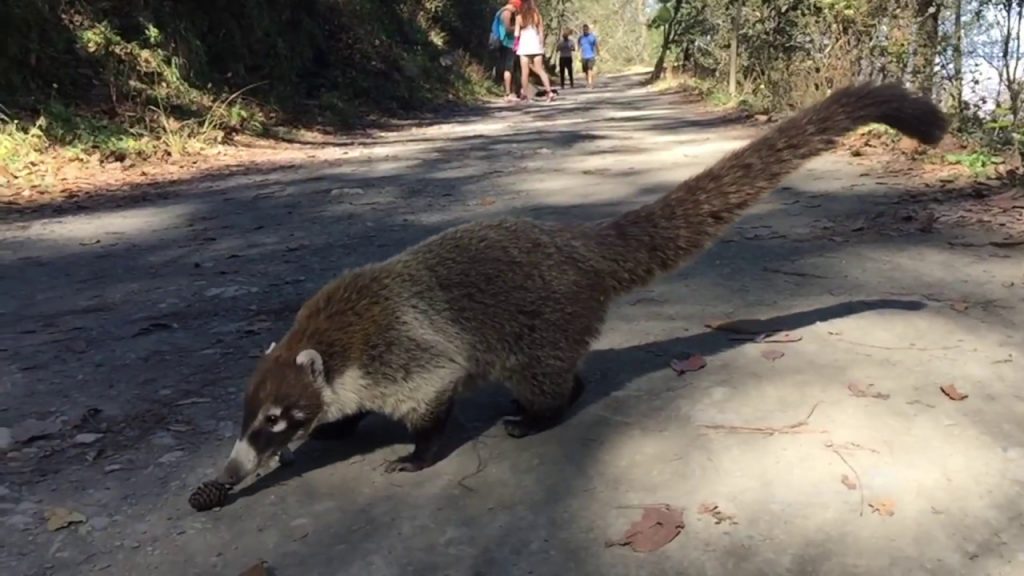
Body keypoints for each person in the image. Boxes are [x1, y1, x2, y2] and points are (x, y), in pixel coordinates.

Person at [514, 0, 556, 103]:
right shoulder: (537, 16)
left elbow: (516, 34)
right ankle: (549, 92)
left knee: (525, 72)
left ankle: (525, 96)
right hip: (536, 45)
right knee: (540, 70)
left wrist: (515, 44)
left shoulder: (519, 18)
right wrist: (541, 45)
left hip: (524, 46)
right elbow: (541, 31)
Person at [491, 0, 521, 102]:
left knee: (506, 67)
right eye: (517, 8)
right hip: (506, 43)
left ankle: (510, 92)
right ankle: (508, 93)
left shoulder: (500, 11)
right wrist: (518, 28)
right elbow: (507, 28)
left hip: (503, 42)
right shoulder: (506, 12)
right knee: (508, 68)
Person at [578, 23, 599, 88]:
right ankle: (588, 82)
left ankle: (590, 83)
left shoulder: (592, 37)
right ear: (583, 30)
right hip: (584, 56)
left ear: (588, 29)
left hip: (591, 56)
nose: (585, 30)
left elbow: (596, 46)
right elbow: (579, 47)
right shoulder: (581, 38)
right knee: (586, 71)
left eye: (586, 29)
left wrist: (597, 54)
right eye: (584, 29)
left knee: (590, 69)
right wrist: (579, 56)